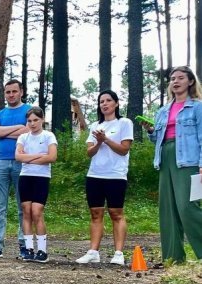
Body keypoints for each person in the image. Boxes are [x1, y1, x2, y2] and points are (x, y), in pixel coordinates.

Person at [141, 66, 202, 263]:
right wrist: (151, 131)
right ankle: (173, 258)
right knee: (167, 208)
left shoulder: (198, 107)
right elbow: (158, 139)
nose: (175, 81)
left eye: (181, 78)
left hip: (188, 160)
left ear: (190, 82)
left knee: (187, 207)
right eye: (173, 78)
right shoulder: (163, 110)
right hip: (165, 158)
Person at [76, 90, 134, 266]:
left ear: (116, 103)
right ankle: (93, 251)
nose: (104, 104)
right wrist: (99, 142)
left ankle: (118, 253)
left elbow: (124, 149)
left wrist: (106, 139)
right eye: (101, 101)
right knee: (95, 213)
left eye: (108, 100)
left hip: (116, 175)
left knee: (116, 213)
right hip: (95, 175)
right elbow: (89, 152)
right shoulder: (95, 126)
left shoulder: (124, 123)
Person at [0, 79, 32, 259]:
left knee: (23, 206)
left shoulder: (29, 110)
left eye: (14, 91)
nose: (11, 95)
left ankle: (24, 245)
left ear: (21, 92)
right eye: (8, 92)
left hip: (23, 163)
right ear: (4, 94)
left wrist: (3, 131)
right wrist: (19, 129)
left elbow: (30, 131)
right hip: (0, 163)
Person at [15, 107, 57, 263]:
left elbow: (52, 157)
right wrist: (40, 155)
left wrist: (28, 158)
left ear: (42, 119)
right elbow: (18, 156)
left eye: (35, 120)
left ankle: (42, 250)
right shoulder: (23, 137)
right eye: (29, 121)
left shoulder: (48, 136)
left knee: (37, 212)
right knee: (26, 211)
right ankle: (28, 249)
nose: (32, 124)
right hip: (25, 177)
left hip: (41, 177)